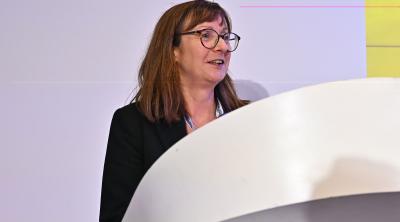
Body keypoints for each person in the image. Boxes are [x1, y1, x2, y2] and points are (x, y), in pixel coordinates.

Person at [99, 0, 248, 221]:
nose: (223, 47)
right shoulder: (133, 123)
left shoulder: (247, 120)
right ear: (173, 49)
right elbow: (117, 217)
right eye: (206, 35)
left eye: (225, 36)